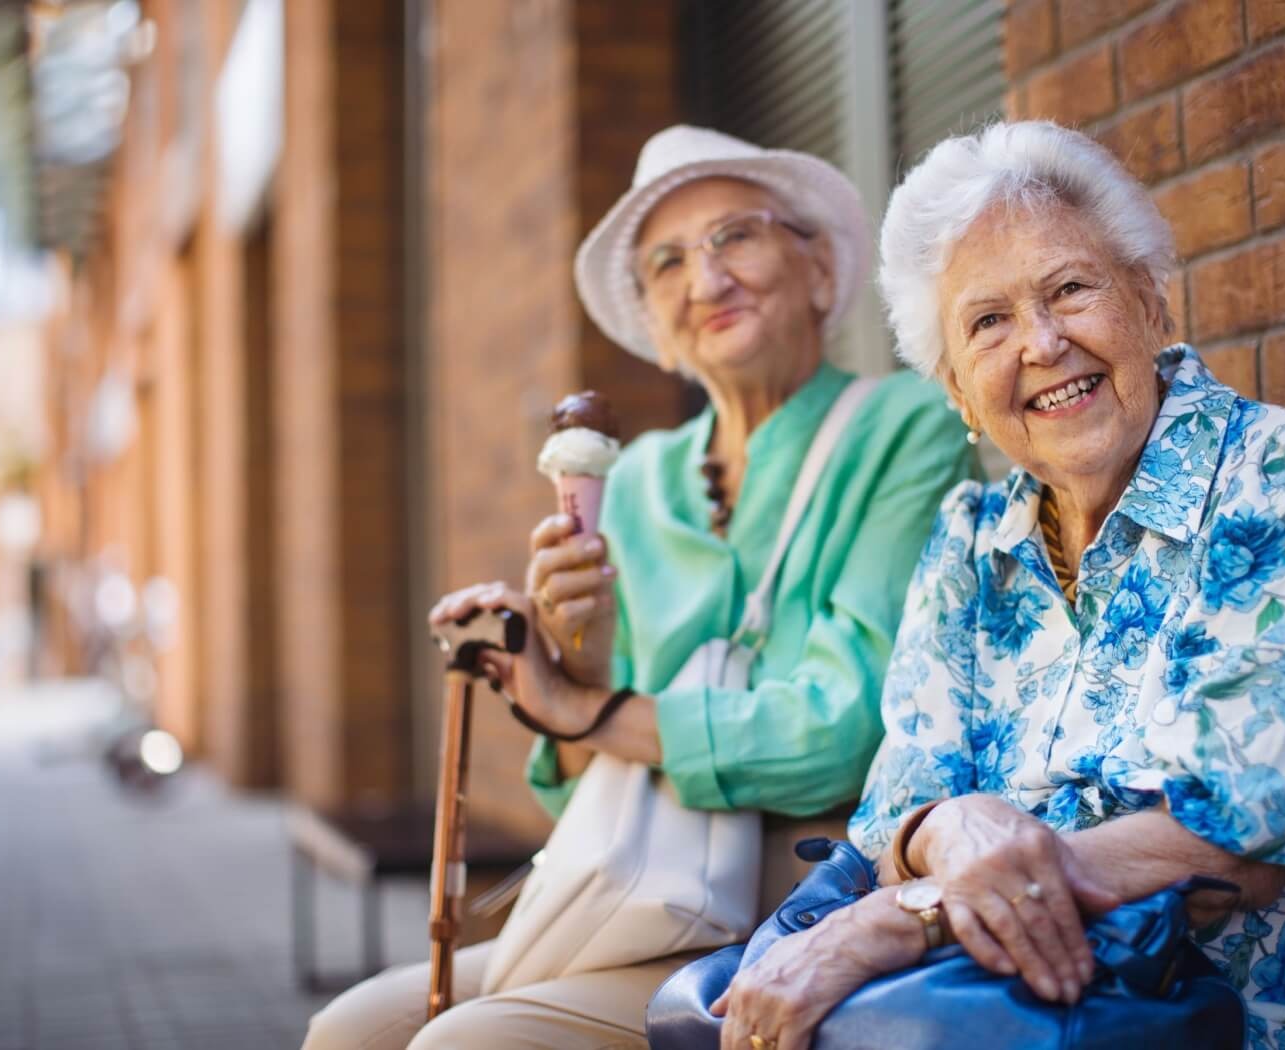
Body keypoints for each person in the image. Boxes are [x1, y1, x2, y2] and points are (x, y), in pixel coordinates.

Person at [714, 121, 1285, 1050]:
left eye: (1069, 289)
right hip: (1004, 1022)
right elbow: (893, 814)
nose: (1045, 342)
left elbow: (1240, 838)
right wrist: (951, 827)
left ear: (1148, 303)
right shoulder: (970, 541)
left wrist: (905, 917)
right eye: (989, 323)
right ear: (958, 392)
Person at [301, 126, 977, 1050]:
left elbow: (840, 729)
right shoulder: (638, 480)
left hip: (803, 906)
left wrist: (581, 707)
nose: (707, 280)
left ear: (820, 270)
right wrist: (568, 649)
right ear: (655, 328)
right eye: (667, 263)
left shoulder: (906, 426)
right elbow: (588, 791)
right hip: (643, 898)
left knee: (459, 1045)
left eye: (736, 235)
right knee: (350, 1030)